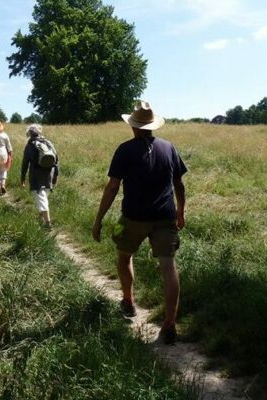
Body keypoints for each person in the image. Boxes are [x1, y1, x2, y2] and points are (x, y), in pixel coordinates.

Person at [92, 101, 187, 345]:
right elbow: (179, 184)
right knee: (169, 267)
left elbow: (113, 186)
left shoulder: (124, 150)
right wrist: (180, 212)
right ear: (152, 125)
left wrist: (99, 219)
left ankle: (128, 302)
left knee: (124, 257)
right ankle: (170, 323)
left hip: (133, 217)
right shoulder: (169, 147)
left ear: (133, 126)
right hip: (165, 217)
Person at [20, 124, 59, 228]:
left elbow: (25, 163)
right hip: (49, 172)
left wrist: (22, 178)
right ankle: (41, 217)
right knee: (44, 195)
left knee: (40, 196)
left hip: (36, 173)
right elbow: (56, 159)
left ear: (29, 134)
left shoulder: (30, 145)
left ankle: (47, 223)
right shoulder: (48, 142)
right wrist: (56, 175)